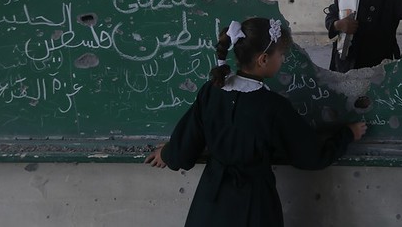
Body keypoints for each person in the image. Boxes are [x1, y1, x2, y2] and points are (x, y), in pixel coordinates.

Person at [145, 17, 367, 227]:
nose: (283, 59)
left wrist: (166, 154)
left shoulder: (211, 91)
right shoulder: (273, 107)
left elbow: (186, 145)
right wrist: (348, 134)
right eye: (281, 55)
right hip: (253, 206)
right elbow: (311, 156)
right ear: (263, 59)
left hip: (210, 203)